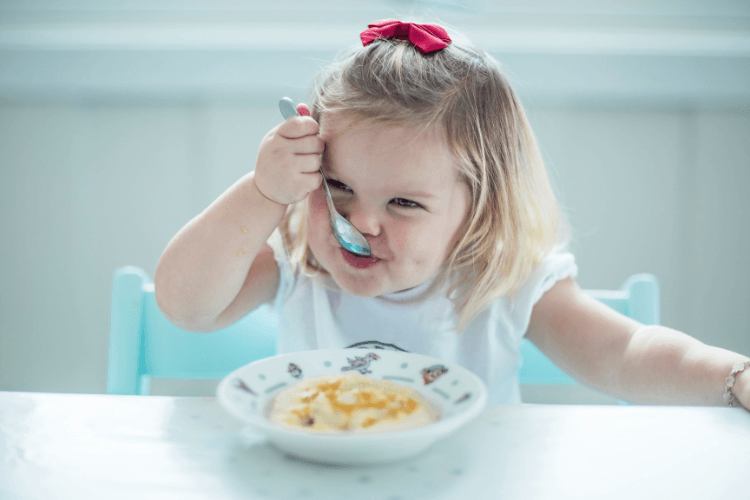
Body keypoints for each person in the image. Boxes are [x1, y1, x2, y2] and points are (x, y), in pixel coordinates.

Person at [154, 19, 749, 409]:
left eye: (404, 202)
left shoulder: (500, 285)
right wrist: (263, 193)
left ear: (479, 206)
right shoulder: (300, 265)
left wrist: (734, 378)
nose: (362, 222)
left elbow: (626, 353)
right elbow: (184, 305)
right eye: (337, 186)